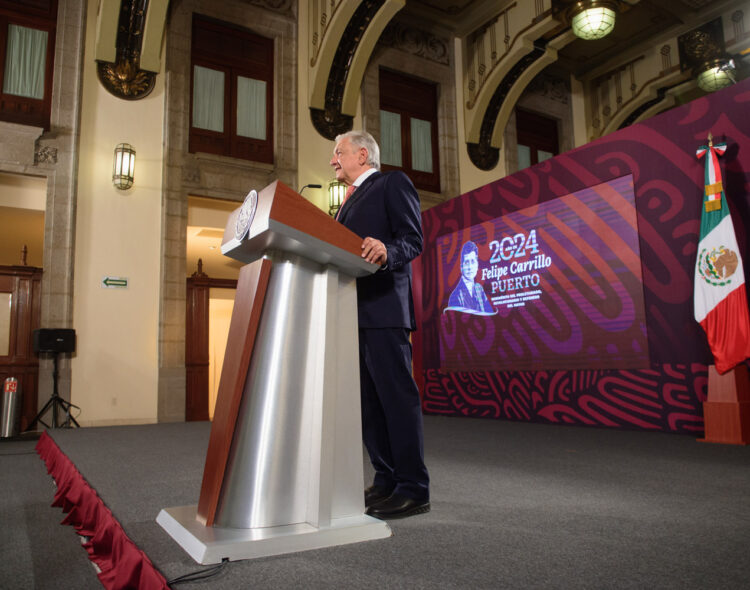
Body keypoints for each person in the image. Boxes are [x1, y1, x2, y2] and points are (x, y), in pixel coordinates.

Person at [330, 130, 430, 519]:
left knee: (395, 401)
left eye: (338, 152)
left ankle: (413, 487)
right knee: (369, 406)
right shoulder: (344, 203)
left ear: (362, 154)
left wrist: (389, 251)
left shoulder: (392, 182)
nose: (333, 159)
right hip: (351, 315)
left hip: (385, 311)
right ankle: (386, 480)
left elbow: (413, 239)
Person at [447, 240, 494, 314]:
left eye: (472, 261)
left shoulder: (479, 289)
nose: (470, 267)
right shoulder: (455, 296)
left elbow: (490, 315)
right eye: (466, 262)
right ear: (461, 266)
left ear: (477, 265)